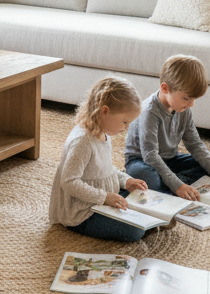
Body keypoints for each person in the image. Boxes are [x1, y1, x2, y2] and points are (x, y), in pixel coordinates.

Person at [49, 76, 160, 242]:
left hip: (101, 196)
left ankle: (151, 219)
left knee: (140, 194)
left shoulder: (103, 132)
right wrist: (105, 197)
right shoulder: (83, 142)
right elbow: (69, 181)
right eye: (125, 122)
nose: (126, 128)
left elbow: (105, 170)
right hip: (83, 212)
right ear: (105, 111)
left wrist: (126, 181)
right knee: (135, 231)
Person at [124, 55, 210, 200]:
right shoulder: (149, 112)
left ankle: (169, 186)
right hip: (142, 160)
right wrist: (177, 185)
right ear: (165, 88)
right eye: (186, 98)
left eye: (194, 99)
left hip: (170, 159)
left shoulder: (184, 110)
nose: (191, 104)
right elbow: (150, 156)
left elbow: (195, 143)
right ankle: (175, 186)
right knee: (147, 176)